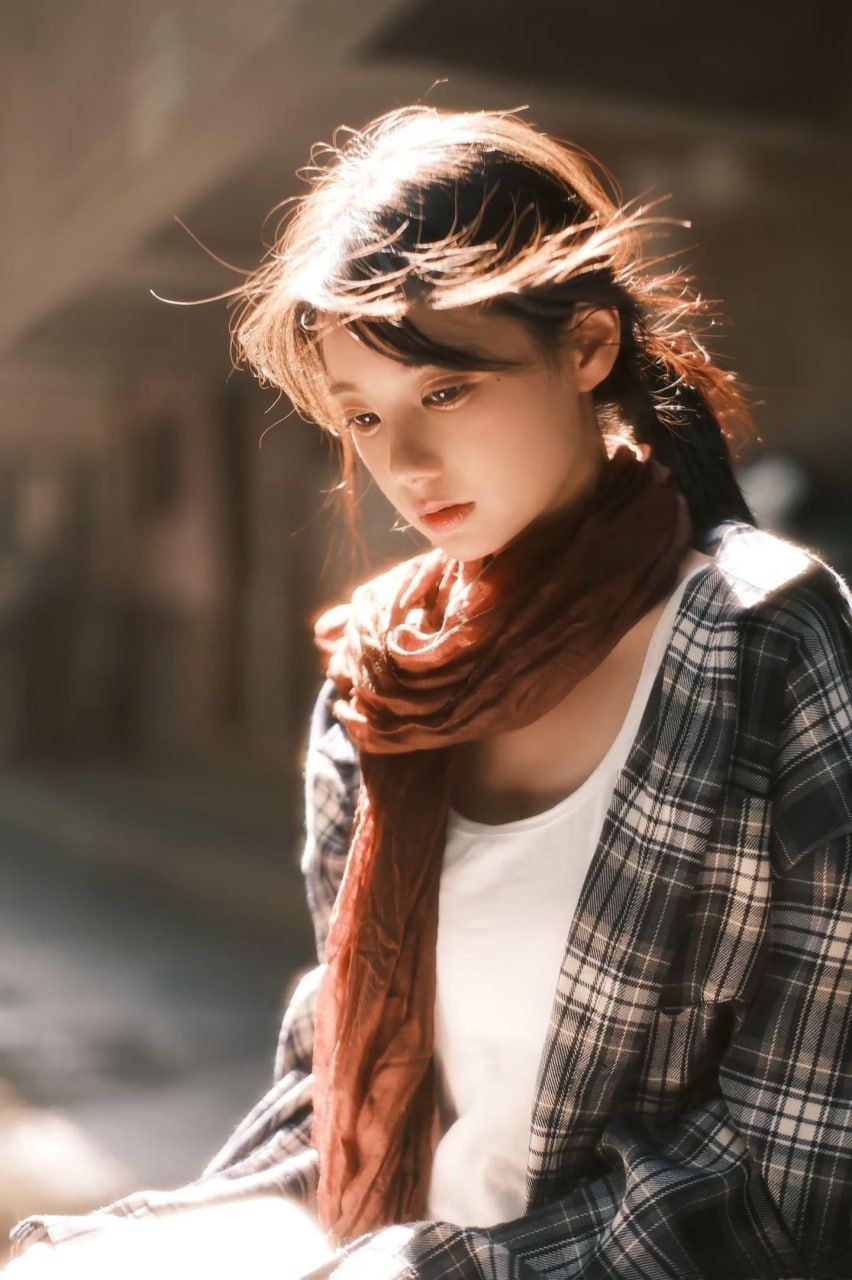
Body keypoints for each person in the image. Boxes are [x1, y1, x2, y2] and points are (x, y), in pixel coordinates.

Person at [8, 105, 852, 1280]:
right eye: (362, 415)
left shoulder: (759, 639)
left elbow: (794, 1170)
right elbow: (336, 1093)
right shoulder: (384, 680)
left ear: (590, 346)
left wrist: (422, 1269)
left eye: (445, 392)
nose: (402, 464)